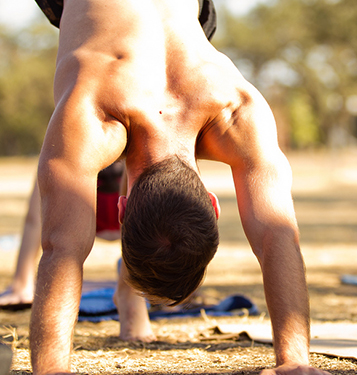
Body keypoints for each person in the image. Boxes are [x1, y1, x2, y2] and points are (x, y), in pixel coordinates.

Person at [29, 1, 327, 375]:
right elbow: (62, 250)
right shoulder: (92, 111)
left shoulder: (236, 107)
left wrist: (296, 360)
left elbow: (278, 236)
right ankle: (129, 296)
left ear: (213, 205)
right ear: (120, 210)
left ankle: (130, 296)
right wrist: (51, 370)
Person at [0, 162, 124, 310]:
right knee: (51, 165)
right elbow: (34, 220)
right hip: (87, 213)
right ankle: (22, 283)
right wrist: (21, 282)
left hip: (132, 212)